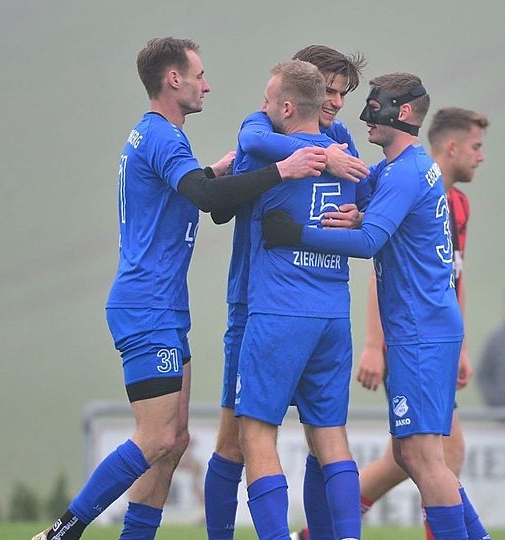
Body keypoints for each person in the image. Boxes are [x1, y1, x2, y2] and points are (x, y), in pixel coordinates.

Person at [31, 38, 327, 540]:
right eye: (199, 75)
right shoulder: (164, 138)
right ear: (173, 79)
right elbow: (204, 197)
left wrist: (219, 168)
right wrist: (282, 169)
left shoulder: (159, 138)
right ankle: (62, 531)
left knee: (174, 441)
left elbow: (192, 190)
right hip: (145, 304)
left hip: (164, 307)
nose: (207, 84)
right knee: (157, 437)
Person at [264, 72, 491, 540]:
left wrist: (296, 235)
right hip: (419, 330)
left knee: (426, 458)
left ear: (402, 112)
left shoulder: (406, 172)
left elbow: (369, 243)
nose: (365, 111)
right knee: (411, 455)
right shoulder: (397, 170)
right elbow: (376, 218)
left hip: (421, 333)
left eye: (373, 103)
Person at [204, 46, 368, 540]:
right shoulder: (271, 131)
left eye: (342, 93)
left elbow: (368, 189)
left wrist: (360, 213)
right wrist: (322, 159)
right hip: (257, 302)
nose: (336, 103)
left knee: (265, 436)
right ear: (303, 91)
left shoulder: (340, 143)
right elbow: (242, 160)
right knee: (235, 440)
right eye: (330, 90)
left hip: (279, 309)